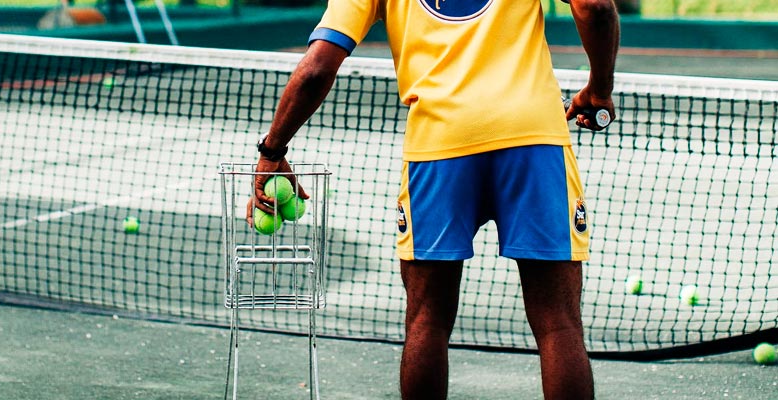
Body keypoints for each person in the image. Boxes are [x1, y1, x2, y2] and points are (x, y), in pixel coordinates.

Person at [247, 0, 619, 397]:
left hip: (439, 147)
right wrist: (599, 89)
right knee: (558, 323)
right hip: (533, 140)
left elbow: (318, 67)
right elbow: (595, 7)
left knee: (427, 321)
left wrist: (272, 150)